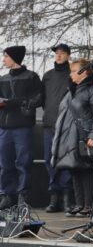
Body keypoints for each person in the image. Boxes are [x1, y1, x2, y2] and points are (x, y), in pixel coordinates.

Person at [52, 58, 93, 217]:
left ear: (84, 72)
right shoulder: (71, 90)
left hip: (83, 136)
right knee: (74, 169)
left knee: (86, 170)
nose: (71, 74)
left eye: (74, 71)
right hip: (69, 137)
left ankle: (88, 205)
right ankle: (79, 204)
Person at [0, 46, 43, 209]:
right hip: (4, 127)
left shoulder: (32, 77)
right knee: (5, 162)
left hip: (22, 127)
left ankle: (22, 195)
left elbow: (38, 98)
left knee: (23, 162)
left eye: (6, 57)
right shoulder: (2, 78)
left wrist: (14, 103)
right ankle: (6, 195)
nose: (3, 60)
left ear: (14, 58)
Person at [42, 43, 73, 213]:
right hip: (49, 124)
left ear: (68, 55)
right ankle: (55, 196)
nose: (59, 56)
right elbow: (44, 99)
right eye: (57, 53)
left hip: (67, 125)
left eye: (62, 53)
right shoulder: (47, 76)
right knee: (49, 159)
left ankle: (67, 196)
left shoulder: (73, 74)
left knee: (66, 160)